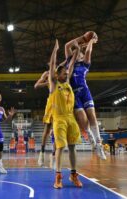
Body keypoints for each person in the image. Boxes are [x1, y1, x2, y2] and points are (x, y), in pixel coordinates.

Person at [64, 31, 106, 160]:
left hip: (85, 92)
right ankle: (92, 141)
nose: (80, 55)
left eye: (81, 54)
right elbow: (67, 46)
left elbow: (88, 52)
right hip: (74, 95)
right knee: (83, 120)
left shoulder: (85, 64)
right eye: (79, 53)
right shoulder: (69, 62)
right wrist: (82, 38)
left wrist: (91, 41)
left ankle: (99, 143)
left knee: (92, 116)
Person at [49, 39, 82, 189]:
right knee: (60, 148)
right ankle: (58, 177)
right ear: (58, 75)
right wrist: (55, 51)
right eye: (64, 73)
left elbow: (72, 62)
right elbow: (51, 68)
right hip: (59, 119)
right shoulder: (54, 85)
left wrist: (78, 50)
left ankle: (73, 174)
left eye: (67, 72)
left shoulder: (68, 84)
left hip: (71, 118)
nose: (67, 74)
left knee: (73, 147)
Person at [34, 71, 54, 166]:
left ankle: (53, 155)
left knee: (58, 132)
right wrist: (48, 82)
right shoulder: (47, 74)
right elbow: (36, 86)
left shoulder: (63, 72)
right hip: (52, 102)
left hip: (63, 101)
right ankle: (42, 153)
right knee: (47, 130)